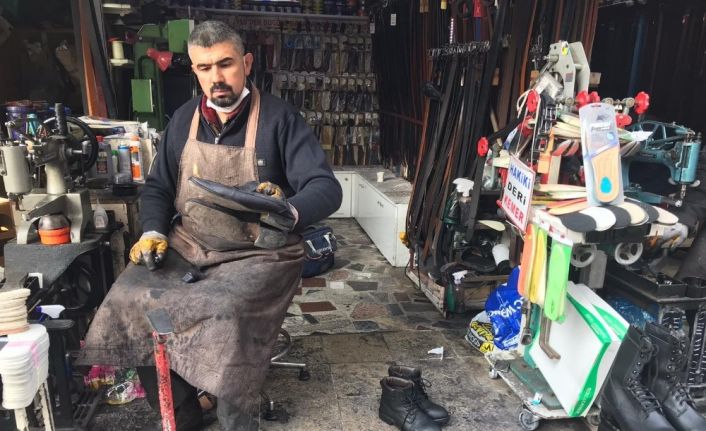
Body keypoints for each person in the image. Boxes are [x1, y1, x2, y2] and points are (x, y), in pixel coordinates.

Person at [79, 20, 342, 430]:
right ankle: (183, 413)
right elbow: (158, 187)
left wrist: (288, 210)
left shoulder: (279, 119)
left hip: (259, 253)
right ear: (195, 71)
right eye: (205, 67)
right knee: (128, 301)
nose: (216, 77)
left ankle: (237, 420)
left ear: (246, 63)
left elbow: (325, 187)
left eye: (225, 64)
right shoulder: (183, 120)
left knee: (226, 313)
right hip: (190, 243)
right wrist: (153, 230)